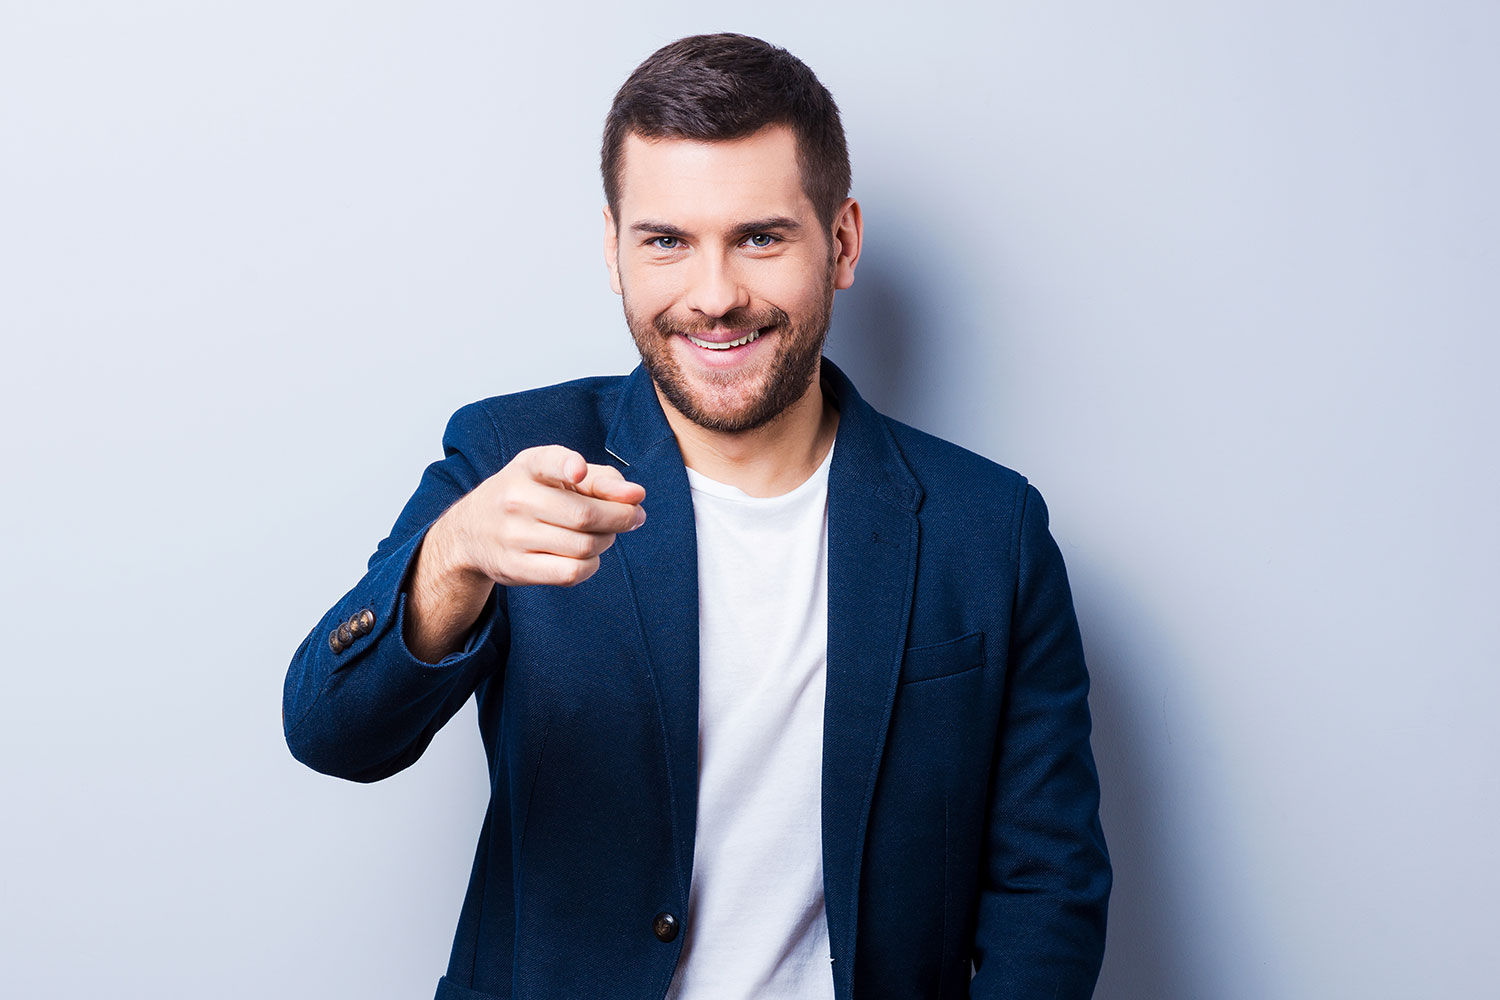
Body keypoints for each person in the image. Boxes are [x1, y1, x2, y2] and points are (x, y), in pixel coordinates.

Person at [283, 32, 1111, 1000]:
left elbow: (1046, 885)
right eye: (667, 241)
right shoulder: (512, 457)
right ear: (614, 249)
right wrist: (454, 556)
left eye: (760, 238)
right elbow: (332, 734)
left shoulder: (990, 528)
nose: (715, 298)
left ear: (841, 243)